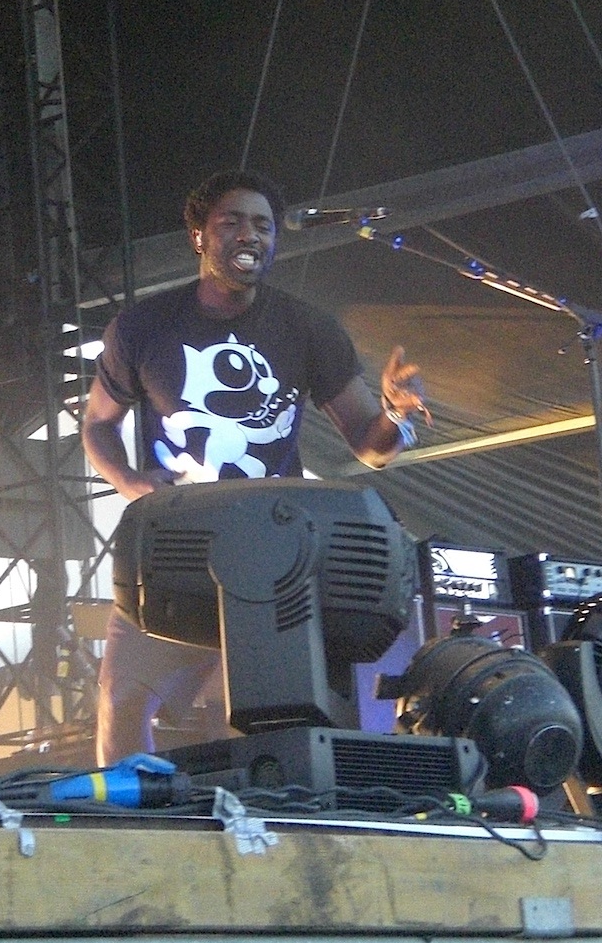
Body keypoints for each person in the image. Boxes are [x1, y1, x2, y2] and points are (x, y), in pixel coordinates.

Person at [81, 169, 430, 764]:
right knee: (123, 699)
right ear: (199, 235)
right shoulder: (143, 327)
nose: (251, 235)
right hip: (177, 548)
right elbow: (96, 424)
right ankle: (132, 813)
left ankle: (274, 811)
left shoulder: (307, 328)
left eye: (263, 226)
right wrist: (132, 484)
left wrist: (396, 414)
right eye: (233, 222)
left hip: (278, 549)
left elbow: (369, 448)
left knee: (261, 710)